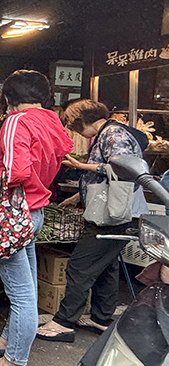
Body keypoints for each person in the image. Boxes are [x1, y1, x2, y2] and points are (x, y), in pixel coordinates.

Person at [0, 70, 73, 366]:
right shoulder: (51, 121)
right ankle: (6, 341)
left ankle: (14, 361)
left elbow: (15, 171)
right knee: (27, 287)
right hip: (36, 210)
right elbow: (60, 155)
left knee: (21, 293)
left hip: (15, 212)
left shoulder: (17, 121)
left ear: (9, 97)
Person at [37, 99, 148, 342]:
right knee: (106, 266)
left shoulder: (113, 133)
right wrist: (79, 195)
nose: (78, 133)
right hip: (119, 212)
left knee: (80, 265)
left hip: (113, 215)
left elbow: (124, 171)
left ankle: (64, 321)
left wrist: (81, 165)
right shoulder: (110, 132)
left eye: (76, 127)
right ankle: (101, 317)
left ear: (84, 121)